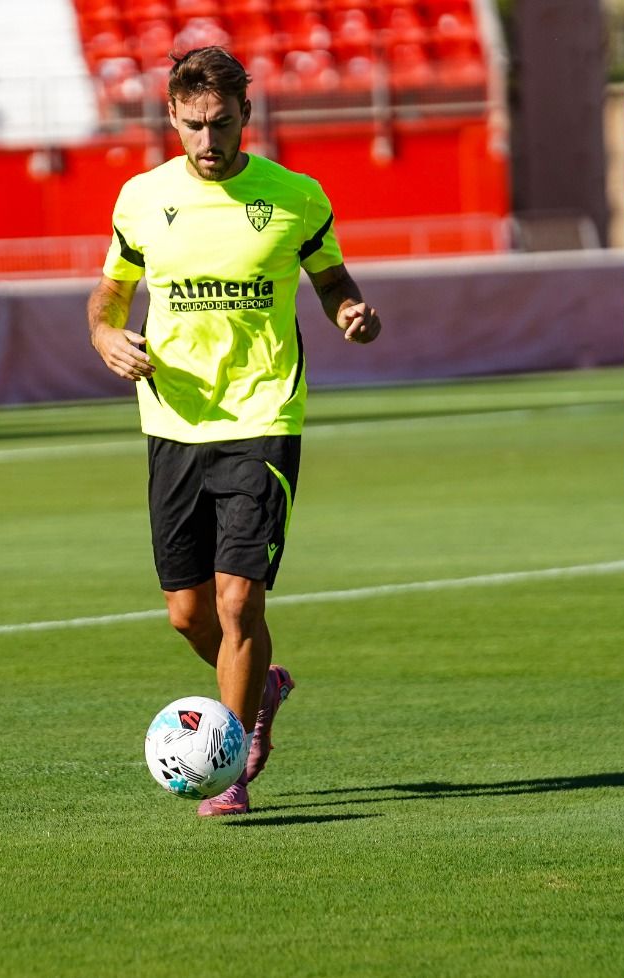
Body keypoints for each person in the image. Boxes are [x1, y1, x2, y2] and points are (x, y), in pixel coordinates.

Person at [87, 46, 382, 817]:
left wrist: (349, 310)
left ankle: (235, 769)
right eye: (192, 126)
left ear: (247, 116)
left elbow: (332, 278)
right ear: (173, 121)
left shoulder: (294, 197)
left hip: (262, 416)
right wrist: (105, 338)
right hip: (172, 420)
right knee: (186, 614)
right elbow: (109, 297)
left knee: (236, 601)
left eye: (220, 124)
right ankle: (263, 689)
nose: (207, 141)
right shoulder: (142, 200)